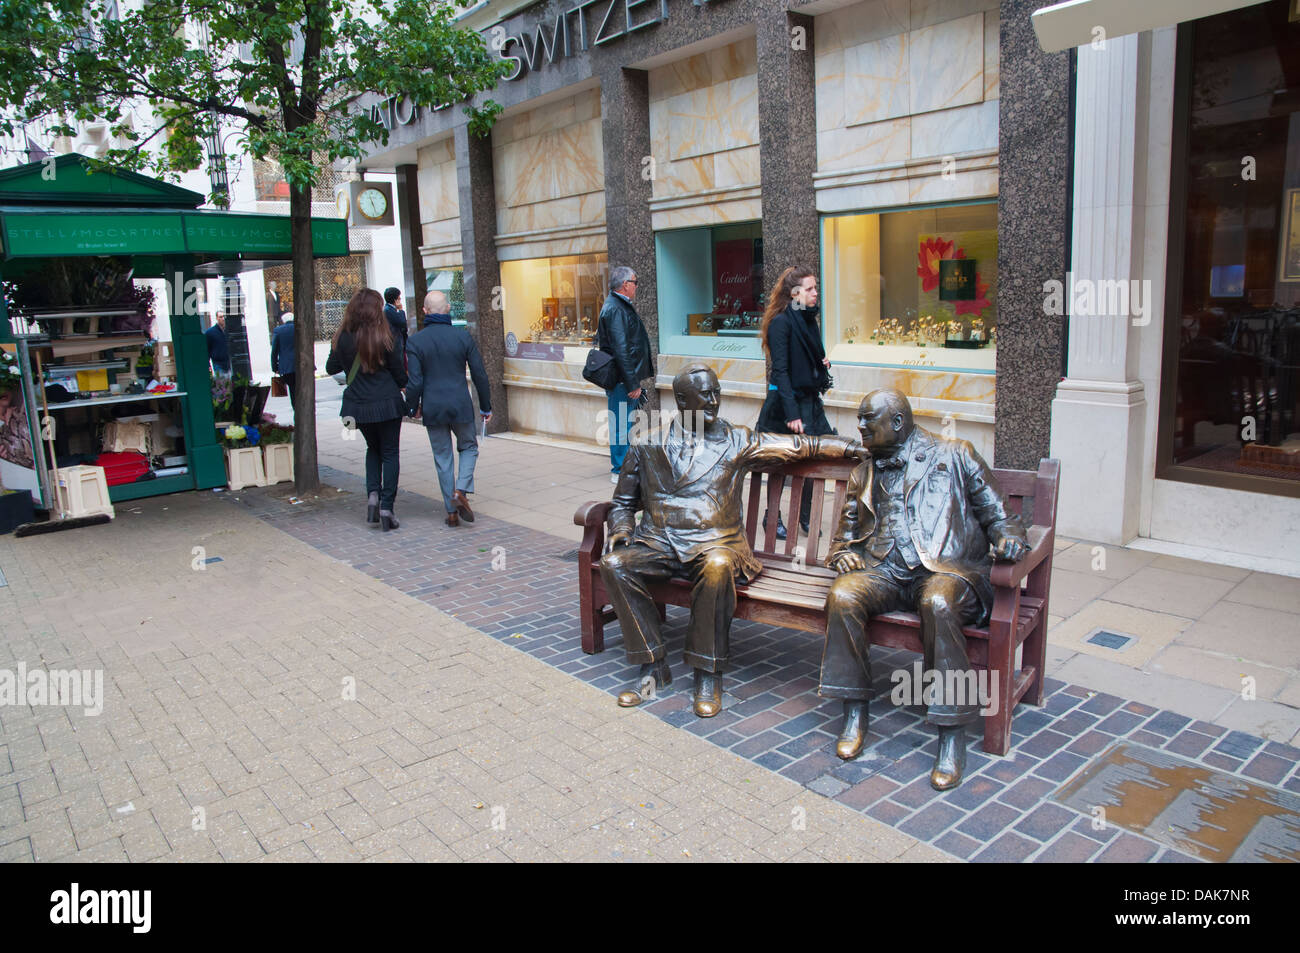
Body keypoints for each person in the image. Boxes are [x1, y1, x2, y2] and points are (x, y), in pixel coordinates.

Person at [601, 363, 861, 718]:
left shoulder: (737, 439)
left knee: (718, 566)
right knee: (614, 564)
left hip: (716, 543)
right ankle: (652, 666)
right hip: (659, 542)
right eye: (704, 395)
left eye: (717, 393)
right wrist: (621, 530)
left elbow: (800, 446)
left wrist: (850, 448)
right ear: (681, 400)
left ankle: (707, 672)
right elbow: (622, 503)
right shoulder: (648, 442)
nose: (714, 401)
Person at [821, 389, 1028, 790]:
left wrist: (1009, 538)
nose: (860, 427)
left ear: (897, 422)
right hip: (883, 569)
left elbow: (1000, 514)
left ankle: (952, 734)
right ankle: (854, 711)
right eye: (860, 420)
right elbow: (845, 534)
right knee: (843, 596)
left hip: (944, 569)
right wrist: (843, 554)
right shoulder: (865, 469)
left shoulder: (955, 453)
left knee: (937, 601)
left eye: (868, 420)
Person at [755, 265, 834, 540]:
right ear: (795, 293)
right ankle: (771, 516)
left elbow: (806, 359)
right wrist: (791, 414)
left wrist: (820, 364)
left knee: (813, 459)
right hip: (785, 404)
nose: (815, 293)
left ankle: (805, 515)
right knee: (779, 463)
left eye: (815, 288)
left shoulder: (809, 319)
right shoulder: (781, 323)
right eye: (810, 288)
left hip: (809, 402)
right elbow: (781, 371)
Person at [405, 289, 492, 527]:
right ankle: (461, 491)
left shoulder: (415, 342)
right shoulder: (462, 337)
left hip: (433, 407)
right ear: (448, 309)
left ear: (424, 311)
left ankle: (451, 512)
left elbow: (415, 382)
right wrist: (486, 406)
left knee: (442, 457)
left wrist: (412, 408)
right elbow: (479, 375)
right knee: (469, 447)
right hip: (460, 405)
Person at [325, 289, 409, 531]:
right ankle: (386, 506)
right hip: (386, 403)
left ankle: (372, 494)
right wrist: (407, 389)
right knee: (390, 452)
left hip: (357, 407)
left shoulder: (341, 336)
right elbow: (398, 372)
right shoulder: (386, 333)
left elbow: (331, 367)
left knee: (372, 449)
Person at [596, 265, 654, 483]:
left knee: (623, 421)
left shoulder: (618, 306)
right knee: (621, 422)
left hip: (622, 378)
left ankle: (624, 466)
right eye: (635, 282)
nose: (636, 287)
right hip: (622, 380)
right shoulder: (617, 309)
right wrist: (632, 383)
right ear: (625, 285)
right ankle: (619, 469)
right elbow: (621, 349)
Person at [269, 311, 296, 417]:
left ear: (283, 321)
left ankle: (296, 410)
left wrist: (274, 367)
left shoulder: (278, 331)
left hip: (287, 367)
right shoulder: (300, 328)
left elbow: (274, 351)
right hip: (302, 366)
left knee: (293, 390)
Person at [383, 287, 408, 360]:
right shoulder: (388, 310)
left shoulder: (391, 309)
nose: (400, 300)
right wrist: (400, 310)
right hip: (395, 343)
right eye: (399, 298)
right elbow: (402, 322)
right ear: (395, 299)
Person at [205, 311, 231, 376]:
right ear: (217, 318)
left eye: (224, 316)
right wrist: (208, 365)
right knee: (221, 384)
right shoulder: (210, 333)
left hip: (229, 363)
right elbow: (206, 350)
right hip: (218, 363)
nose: (223, 319)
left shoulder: (229, 331)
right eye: (221, 317)